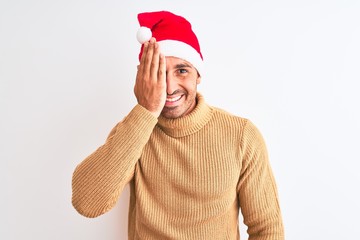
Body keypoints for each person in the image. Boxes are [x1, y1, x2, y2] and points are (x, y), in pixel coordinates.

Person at [72, 10, 284, 240]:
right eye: (158, 73)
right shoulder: (135, 130)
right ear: (144, 77)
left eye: (182, 70)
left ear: (198, 75)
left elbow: (267, 228)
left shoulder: (242, 135)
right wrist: (146, 110)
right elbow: (87, 203)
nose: (170, 87)